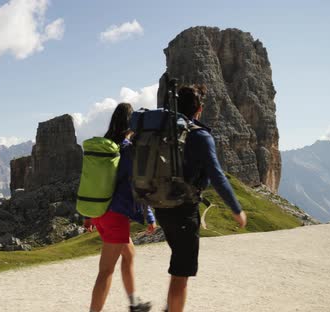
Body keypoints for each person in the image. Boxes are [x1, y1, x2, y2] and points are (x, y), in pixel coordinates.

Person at [154, 85, 247, 312]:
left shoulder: (161, 130)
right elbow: (217, 176)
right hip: (184, 208)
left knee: (178, 263)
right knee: (181, 272)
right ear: (199, 109)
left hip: (160, 204)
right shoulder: (199, 135)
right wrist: (236, 209)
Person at [84, 103, 157, 312]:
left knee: (129, 253)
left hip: (100, 212)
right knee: (106, 270)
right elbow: (138, 185)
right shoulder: (127, 150)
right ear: (131, 123)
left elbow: (92, 181)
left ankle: (134, 303)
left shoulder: (105, 147)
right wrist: (150, 216)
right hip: (115, 216)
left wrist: (88, 214)